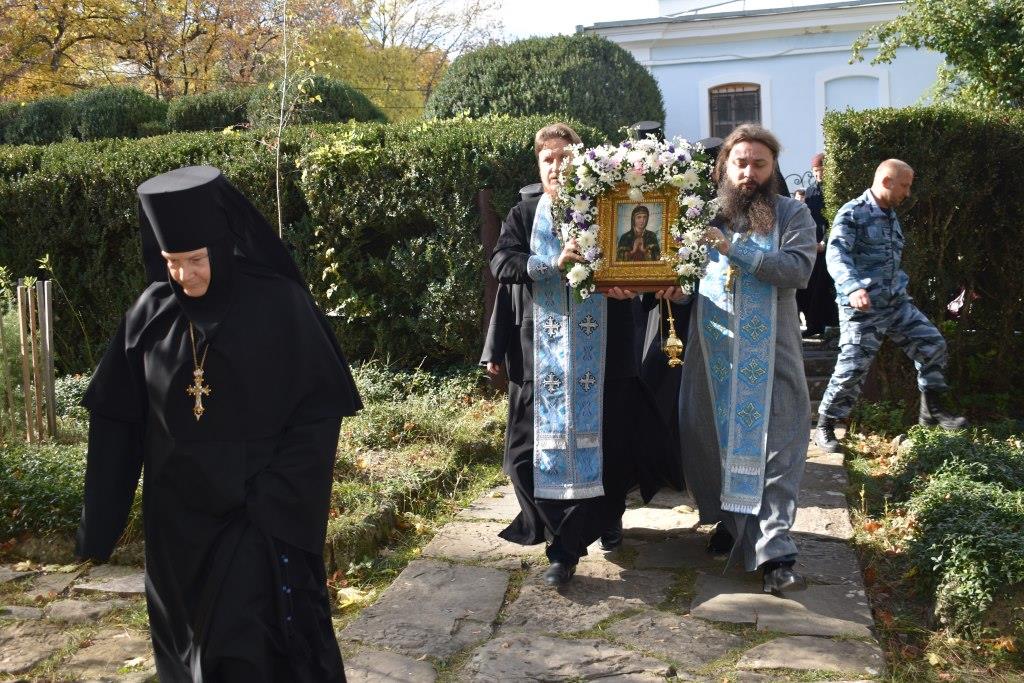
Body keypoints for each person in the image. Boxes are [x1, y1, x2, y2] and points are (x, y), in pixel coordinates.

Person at [75, 166, 361, 681]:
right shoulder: (149, 316)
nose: (184, 277)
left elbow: (318, 413)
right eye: (172, 262)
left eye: (196, 260)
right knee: (185, 659)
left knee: (247, 652)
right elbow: (116, 422)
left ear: (222, 247)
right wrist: (99, 524)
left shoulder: (280, 305)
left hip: (255, 521)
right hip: (175, 532)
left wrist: (277, 500)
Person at [489, 123, 670, 586]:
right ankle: (559, 530)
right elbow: (502, 262)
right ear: (538, 165)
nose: (556, 166)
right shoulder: (525, 213)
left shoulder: (608, 207)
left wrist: (633, 285)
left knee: (609, 449)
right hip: (541, 354)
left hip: (606, 353)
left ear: (581, 161)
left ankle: (566, 549)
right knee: (524, 457)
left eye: (565, 157)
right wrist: (550, 264)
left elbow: (638, 264)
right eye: (547, 159)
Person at [664, 123, 817, 594]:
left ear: (773, 169)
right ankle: (731, 523)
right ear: (724, 168)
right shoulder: (700, 216)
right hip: (712, 356)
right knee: (710, 443)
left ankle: (776, 553)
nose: (749, 173)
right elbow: (685, 279)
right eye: (740, 163)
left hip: (773, 355)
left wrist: (735, 250)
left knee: (778, 448)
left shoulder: (792, 214)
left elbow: (798, 270)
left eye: (759, 164)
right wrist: (673, 288)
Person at [815, 160, 967, 452]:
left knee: (932, 344)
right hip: (862, 307)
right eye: (905, 186)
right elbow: (836, 255)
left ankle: (931, 410)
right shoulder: (853, 212)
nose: (907, 193)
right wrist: (853, 287)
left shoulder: (890, 216)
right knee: (852, 368)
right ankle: (825, 424)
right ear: (886, 181)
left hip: (895, 303)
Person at [796, 153, 839, 337]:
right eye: (815, 171)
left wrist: (825, 242)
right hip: (812, 246)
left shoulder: (834, 190)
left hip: (828, 246)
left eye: (821, 170)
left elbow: (835, 220)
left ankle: (831, 326)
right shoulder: (811, 192)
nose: (818, 174)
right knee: (809, 288)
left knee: (825, 288)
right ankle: (814, 325)